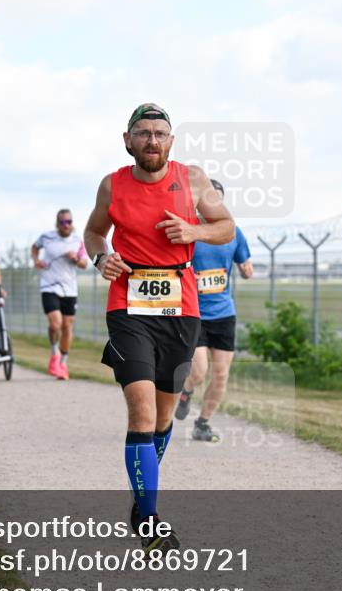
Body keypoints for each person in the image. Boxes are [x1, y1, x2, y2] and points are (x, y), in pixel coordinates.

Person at [83, 103, 235, 552]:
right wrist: (99, 257)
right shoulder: (113, 185)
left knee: (164, 418)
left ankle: (140, 496)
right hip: (128, 307)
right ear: (127, 140)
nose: (152, 140)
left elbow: (226, 227)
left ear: (172, 140)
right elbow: (94, 233)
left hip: (181, 308)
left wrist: (194, 232)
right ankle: (149, 521)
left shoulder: (193, 179)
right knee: (143, 414)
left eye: (160, 133)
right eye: (143, 133)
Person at [174, 181, 253, 442]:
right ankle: (186, 392)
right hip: (193, 313)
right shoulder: (189, 233)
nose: (210, 209)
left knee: (220, 376)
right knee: (198, 371)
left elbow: (245, 261)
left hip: (223, 313)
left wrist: (246, 268)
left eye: (216, 203)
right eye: (206, 203)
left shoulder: (233, 233)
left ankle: (202, 423)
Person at [33, 208, 88, 380]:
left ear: (72, 223)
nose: (66, 225)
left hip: (69, 288)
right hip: (49, 285)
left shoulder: (78, 241)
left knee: (67, 326)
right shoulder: (47, 237)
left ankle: (63, 363)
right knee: (55, 323)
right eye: (63, 222)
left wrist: (75, 259)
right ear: (57, 223)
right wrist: (36, 261)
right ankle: (54, 353)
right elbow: (35, 247)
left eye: (69, 222)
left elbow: (84, 264)